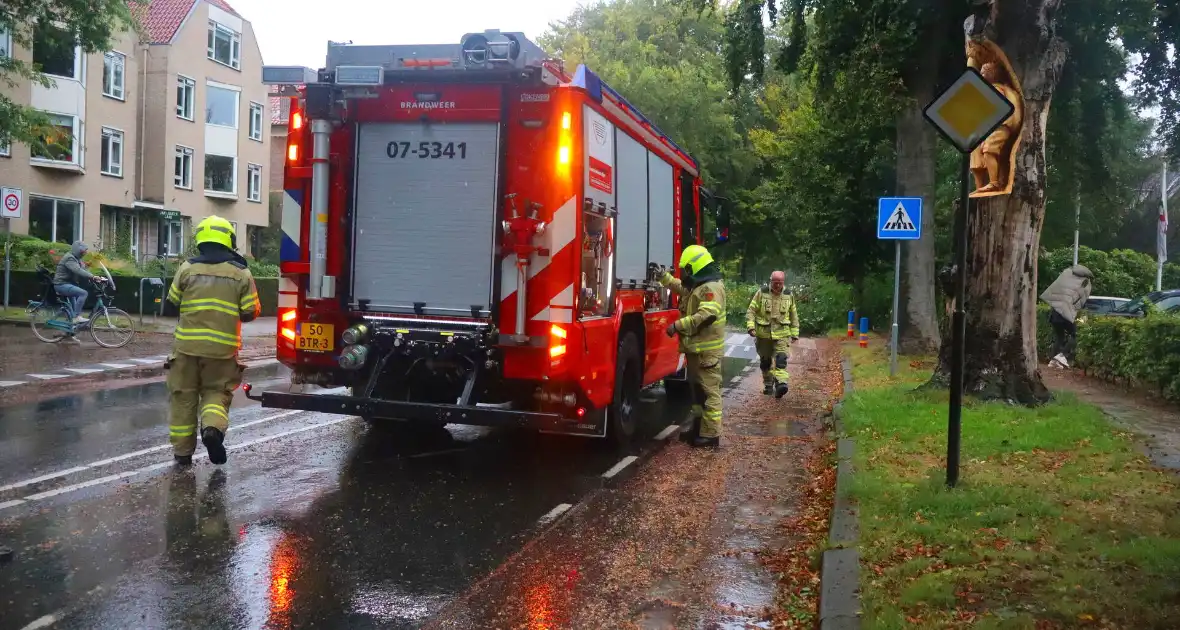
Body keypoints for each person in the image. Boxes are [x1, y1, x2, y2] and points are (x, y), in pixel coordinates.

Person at [165, 216, 260, 466]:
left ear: (201, 239)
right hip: (222, 351)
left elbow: (171, 302)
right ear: (228, 240)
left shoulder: (186, 268)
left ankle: (182, 454)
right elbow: (250, 312)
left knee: (183, 397)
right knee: (216, 394)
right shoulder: (241, 273)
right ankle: (212, 430)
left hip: (186, 348)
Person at [656, 244, 726, 449]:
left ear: (695, 266)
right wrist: (664, 278)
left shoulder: (711, 288)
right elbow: (682, 287)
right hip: (697, 351)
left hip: (707, 352)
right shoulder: (699, 284)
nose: (685, 273)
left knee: (709, 393)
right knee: (697, 393)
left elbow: (706, 315)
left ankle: (711, 435)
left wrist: (677, 326)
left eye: (686, 268)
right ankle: (698, 428)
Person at [745, 270, 800, 398]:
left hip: (782, 333)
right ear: (771, 281)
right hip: (763, 334)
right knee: (765, 362)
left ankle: (781, 384)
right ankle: (768, 385)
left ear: (783, 282)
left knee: (781, 359)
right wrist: (751, 327)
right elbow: (751, 311)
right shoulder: (761, 293)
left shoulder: (788, 294)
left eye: (780, 283)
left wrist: (795, 333)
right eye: (775, 283)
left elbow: (794, 315)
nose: (777, 286)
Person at [1039, 264, 1093, 369]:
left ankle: (1053, 361)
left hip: (1055, 313)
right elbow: (1080, 302)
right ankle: (1062, 356)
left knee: (1060, 337)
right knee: (1075, 335)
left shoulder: (1066, 277)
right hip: (1065, 314)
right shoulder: (1085, 283)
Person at [53, 241, 105, 323]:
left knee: (73, 310)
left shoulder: (77, 259)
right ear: (77, 250)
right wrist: (92, 276)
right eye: (83, 251)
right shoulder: (70, 258)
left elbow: (83, 270)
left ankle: (69, 330)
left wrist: (97, 277)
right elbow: (78, 270)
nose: (84, 253)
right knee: (83, 293)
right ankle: (76, 317)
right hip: (61, 284)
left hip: (67, 284)